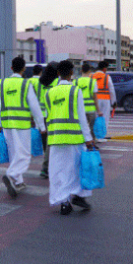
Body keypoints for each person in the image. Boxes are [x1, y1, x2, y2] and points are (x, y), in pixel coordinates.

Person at [45, 60, 95, 215]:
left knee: (58, 171)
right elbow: (81, 117)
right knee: (75, 170)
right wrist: (88, 139)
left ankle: (64, 202)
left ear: (58, 74)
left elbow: (48, 116)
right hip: (74, 139)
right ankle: (79, 196)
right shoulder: (75, 91)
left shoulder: (49, 93)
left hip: (55, 139)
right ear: (72, 73)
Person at [0, 57, 46, 198]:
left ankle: (18, 181)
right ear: (24, 69)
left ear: (11, 68)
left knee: (14, 153)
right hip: (21, 124)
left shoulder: (4, 83)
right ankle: (11, 175)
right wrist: (41, 125)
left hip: (7, 125)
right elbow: (34, 106)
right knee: (23, 155)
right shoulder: (25, 84)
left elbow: (0, 105)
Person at [37, 62, 59, 179]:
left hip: (41, 115)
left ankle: (48, 166)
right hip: (51, 115)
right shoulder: (56, 82)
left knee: (46, 144)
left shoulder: (40, 82)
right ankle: (46, 168)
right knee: (51, 143)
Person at [73, 63, 102, 142]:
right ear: (89, 71)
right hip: (91, 109)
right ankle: (92, 144)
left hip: (79, 109)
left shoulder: (75, 82)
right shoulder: (92, 82)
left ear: (81, 70)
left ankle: (82, 143)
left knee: (81, 127)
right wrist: (98, 110)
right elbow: (95, 97)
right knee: (91, 128)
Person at [91, 61, 116, 141]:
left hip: (94, 100)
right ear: (104, 68)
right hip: (105, 100)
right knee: (104, 118)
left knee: (94, 118)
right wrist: (113, 102)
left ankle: (94, 136)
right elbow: (111, 90)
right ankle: (101, 137)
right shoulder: (106, 77)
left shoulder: (91, 76)